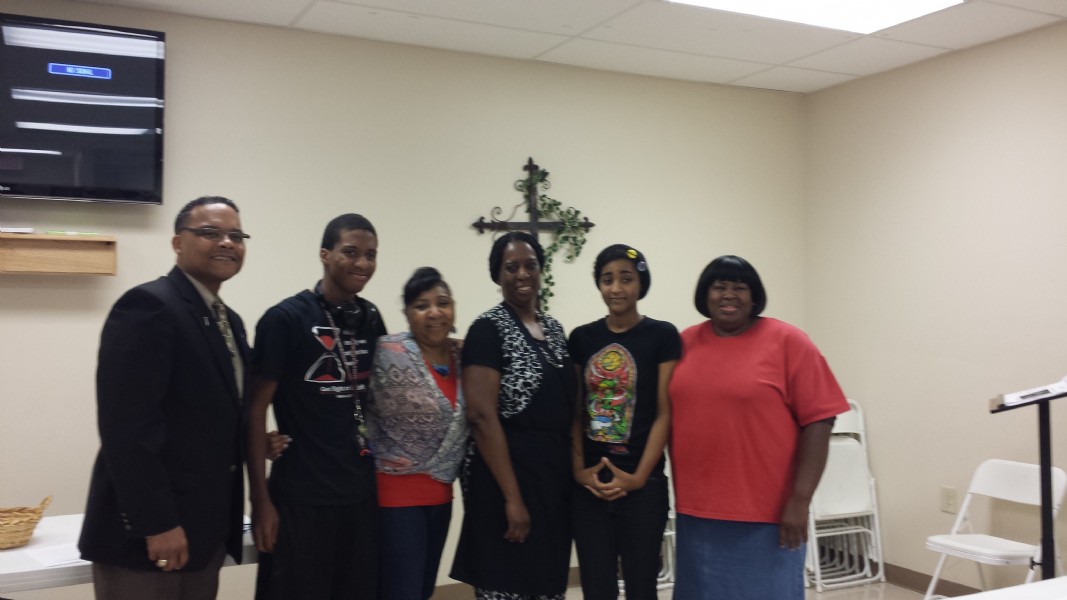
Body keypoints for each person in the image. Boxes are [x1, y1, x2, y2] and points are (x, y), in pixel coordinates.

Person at [79, 196, 250, 600]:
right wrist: (156, 524)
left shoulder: (229, 321)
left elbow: (210, 413)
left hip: (203, 532)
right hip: (149, 539)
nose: (227, 242)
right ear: (177, 243)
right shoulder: (149, 306)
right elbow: (127, 429)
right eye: (210, 232)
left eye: (236, 235)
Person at [669, 255, 849, 600]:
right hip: (697, 513)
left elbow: (821, 419)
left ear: (754, 297)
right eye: (719, 286)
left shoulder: (788, 341)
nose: (728, 294)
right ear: (705, 294)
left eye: (740, 287)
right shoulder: (683, 343)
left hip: (769, 515)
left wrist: (800, 500)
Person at [247, 213, 386, 600]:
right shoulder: (284, 320)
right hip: (300, 499)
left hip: (359, 496)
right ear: (325, 254)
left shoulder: (371, 319)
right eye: (351, 252)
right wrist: (260, 502)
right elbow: (255, 411)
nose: (363, 263)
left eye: (371, 255)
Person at [450, 231, 576, 600]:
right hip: (505, 480)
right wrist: (512, 498)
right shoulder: (487, 329)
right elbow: (481, 416)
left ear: (541, 270)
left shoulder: (554, 329)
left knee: (547, 583)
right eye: (511, 267)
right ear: (497, 275)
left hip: (551, 481)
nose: (522, 274)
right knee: (508, 584)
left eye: (530, 265)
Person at [568, 244, 680, 600]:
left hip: (643, 489)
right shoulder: (581, 338)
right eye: (607, 279)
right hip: (590, 488)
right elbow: (575, 411)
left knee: (642, 588)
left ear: (640, 283)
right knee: (597, 589)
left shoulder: (662, 336)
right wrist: (578, 471)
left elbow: (664, 412)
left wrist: (638, 478)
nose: (616, 288)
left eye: (626, 279)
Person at [367, 267, 469, 600]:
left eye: (442, 303)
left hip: (441, 497)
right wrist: (359, 434)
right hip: (395, 499)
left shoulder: (464, 356)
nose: (434, 312)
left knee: (423, 590)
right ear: (408, 314)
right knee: (403, 592)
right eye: (422, 306)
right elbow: (352, 401)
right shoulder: (387, 351)